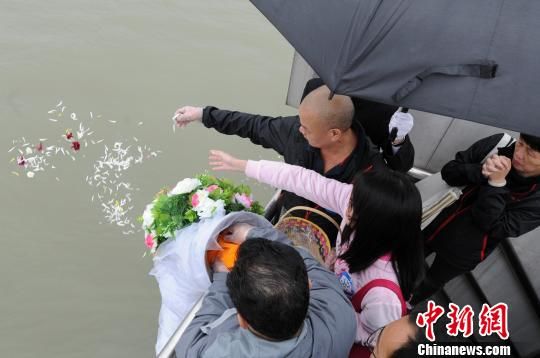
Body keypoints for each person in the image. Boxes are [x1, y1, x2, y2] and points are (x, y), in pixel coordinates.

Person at [208, 150, 424, 354]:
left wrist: (311, 301)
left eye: (352, 204)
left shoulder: (384, 297)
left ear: (372, 223)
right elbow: (303, 180)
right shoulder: (359, 209)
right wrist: (241, 165)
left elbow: (376, 339)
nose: (344, 202)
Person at [173, 84, 403, 245]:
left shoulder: (370, 171)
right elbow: (252, 125)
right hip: (288, 222)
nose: (299, 129)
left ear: (334, 133)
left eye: (306, 128)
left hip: (330, 242)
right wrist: (202, 114)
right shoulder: (295, 133)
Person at [175, 223, 356, 358]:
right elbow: (306, 260)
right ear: (309, 285)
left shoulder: (220, 351)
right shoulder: (339, 311)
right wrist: (251, 233)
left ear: (242, 321)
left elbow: (188, 343)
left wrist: (222, 277)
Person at [410, 133, 540, 304]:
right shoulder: (500, 144)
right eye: (521, 143)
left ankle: (404, 308)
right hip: (432, 221)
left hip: (464, 250)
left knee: (430, 282)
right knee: (403, 261)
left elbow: (497, 227)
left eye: (531, 152)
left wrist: (496, 184)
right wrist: (481, 170)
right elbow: (449, 172)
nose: (519, 153)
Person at [302, 77, 415, 172]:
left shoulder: (382, 109)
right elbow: (302, 130)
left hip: (350, 176)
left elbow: (402, 166)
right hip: (308, 167)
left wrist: (398, 138)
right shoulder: (315, 87)